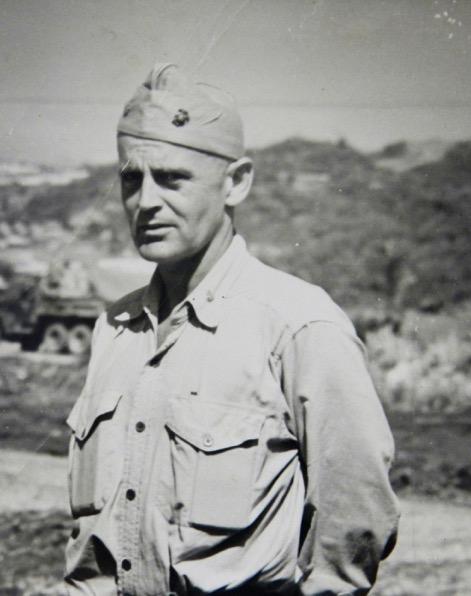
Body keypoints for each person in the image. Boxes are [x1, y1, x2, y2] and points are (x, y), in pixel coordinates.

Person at [64, 63, 399, 596]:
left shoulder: (297, 326)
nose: (146, 201)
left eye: (172, 178)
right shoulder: (115, 329)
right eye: (132, 178)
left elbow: (354, 519)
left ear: (236, 182)